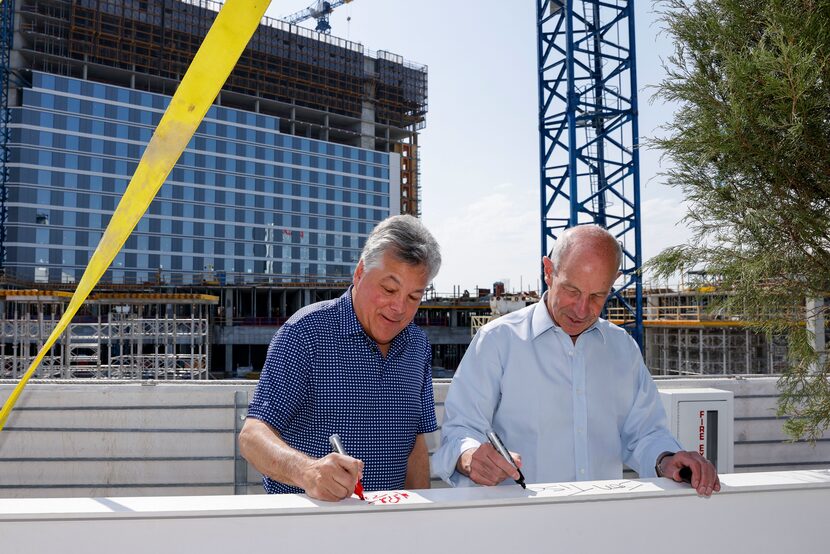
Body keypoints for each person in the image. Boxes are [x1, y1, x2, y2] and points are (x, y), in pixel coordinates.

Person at [432, 224, 720, 496]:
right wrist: (470, 457)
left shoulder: (623, 348)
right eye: (572, 291)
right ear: (548, 271)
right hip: (519, 526)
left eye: (597, 295)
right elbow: (460, 430)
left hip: (600, 525)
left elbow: (644, 433)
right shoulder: (497, 341)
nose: (582, 310)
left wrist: (667, 459)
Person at [239, 215, 441, 501]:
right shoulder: (305, 333)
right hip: (310, 525)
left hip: (389, 528)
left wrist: (422, 525)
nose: (399, 308)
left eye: (413, 297)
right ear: (359, 273)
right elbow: (252, 436)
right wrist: (308, 472)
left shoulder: (418, 345)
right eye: (389, 289)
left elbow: (415, 445)